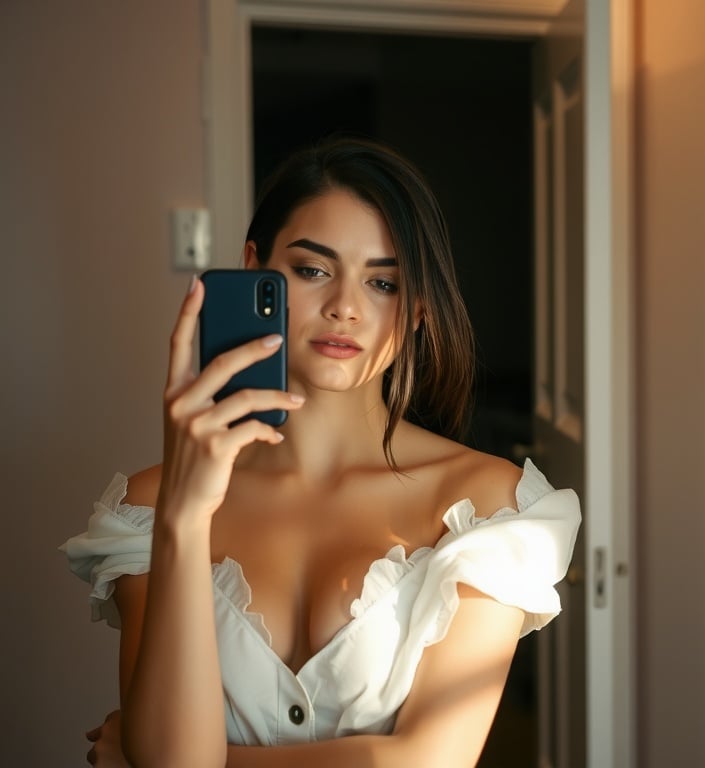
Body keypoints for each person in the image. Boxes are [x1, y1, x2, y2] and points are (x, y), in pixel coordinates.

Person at [61, 137, 580, 767]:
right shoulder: (150, 509)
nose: (345, 307)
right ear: (256, 268)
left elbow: (433, 762)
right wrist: (184, 516)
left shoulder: (489, 509)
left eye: (383, 281)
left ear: (416, 308)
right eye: (312, 270)